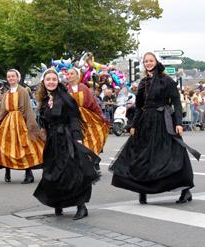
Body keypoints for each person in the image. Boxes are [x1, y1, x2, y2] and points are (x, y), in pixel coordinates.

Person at [110, 52, 201, 204]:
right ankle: (142, 189)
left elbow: (177, 103)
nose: (148, 63)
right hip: (146, 122)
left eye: (151, 60)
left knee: (173, 154)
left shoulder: (167, 81)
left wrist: (178, 123)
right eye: (146, 61)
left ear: (155, 62)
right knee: (142, 156)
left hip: (164, 121)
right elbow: (139, 107)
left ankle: (185, 190)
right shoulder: (143, 82)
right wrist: (133, 125)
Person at [33, 68, 100, 220]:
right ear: (44, 82)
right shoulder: (43, 101)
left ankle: (81, 206)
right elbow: (44, 122)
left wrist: (77, 137)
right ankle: (58, 202)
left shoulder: (66, 98)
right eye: (48, 79)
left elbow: (74, 118)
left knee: (73, 172)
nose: (51, 82)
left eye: (54, 79)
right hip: (52, 141)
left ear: (58, 82)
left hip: (67, 137)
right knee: (54, 172)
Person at [0, 69, 44, 184]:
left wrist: (30, 126)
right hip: (7, 124)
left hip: (20, 123)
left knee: (24, 147)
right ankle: (7, 171)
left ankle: (29, 174)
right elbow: (1, 111)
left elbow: (27, 109)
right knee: (6, 146)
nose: (11, 78)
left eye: (13, 76)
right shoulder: (6, 94)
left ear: (17, 78)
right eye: (9, 77)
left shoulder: (23, 91)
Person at [66, 67, 109, 155]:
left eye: (71, 74)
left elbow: (93, 103)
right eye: (68, 74)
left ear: (77, 76)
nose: (69, 76)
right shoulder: (66, 89)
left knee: (90, 136)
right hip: (71, 118)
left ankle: (92, 157)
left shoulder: (83, 88)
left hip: (85, 117)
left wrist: (101, 116)